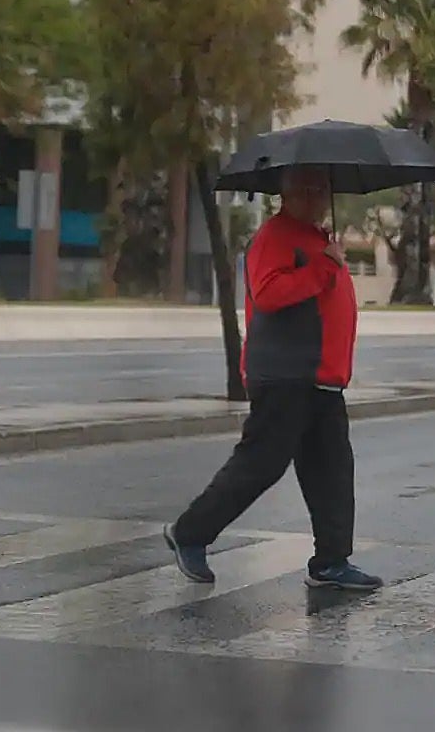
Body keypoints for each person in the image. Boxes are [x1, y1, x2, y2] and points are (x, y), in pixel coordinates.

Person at [163, 166, 383, 592]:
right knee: (261, 463)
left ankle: (332, 561)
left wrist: (327, 261)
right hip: (285, 375)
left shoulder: (317, 239)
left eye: (321, 186)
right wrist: (324, 269)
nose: (316, 194)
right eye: (306, 187)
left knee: (331, 470)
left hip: (320, 379)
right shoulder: (275, 237)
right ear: (286, 193)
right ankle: (189, 533)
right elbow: (268, 294)